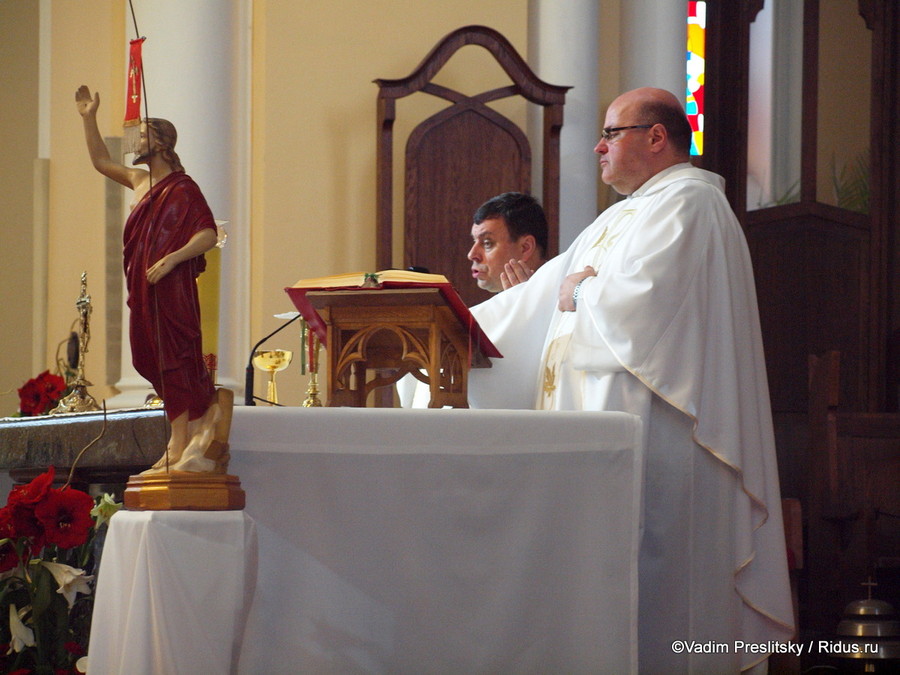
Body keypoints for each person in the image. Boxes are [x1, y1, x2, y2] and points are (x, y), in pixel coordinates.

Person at [466, 88, 794, 672]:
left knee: (663, 588)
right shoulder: (619, 216)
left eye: (611, 133)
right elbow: (541, 298)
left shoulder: (691, 204)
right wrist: (449, 332)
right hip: (605, 438)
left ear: (657, 136)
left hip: (664, 442)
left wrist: (582, 291)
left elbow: (641, 308)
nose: (598, 146)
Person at [75, 85, 231, 474]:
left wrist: (172, 260)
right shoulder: (138, 181)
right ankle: (180, 435)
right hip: (143, 286)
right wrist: (88, 118)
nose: (135, 141)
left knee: (176, 354)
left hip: (172, 287)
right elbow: (99, 161)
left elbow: (207, 234)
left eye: (142, 134)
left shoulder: (183, 187)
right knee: (150, 355)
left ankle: (184, 438)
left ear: (161, 143)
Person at [468, 192, 547, 293]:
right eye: (474, 241)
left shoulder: (564, 301)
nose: (471, 255)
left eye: (487, 243)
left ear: (525, 248)